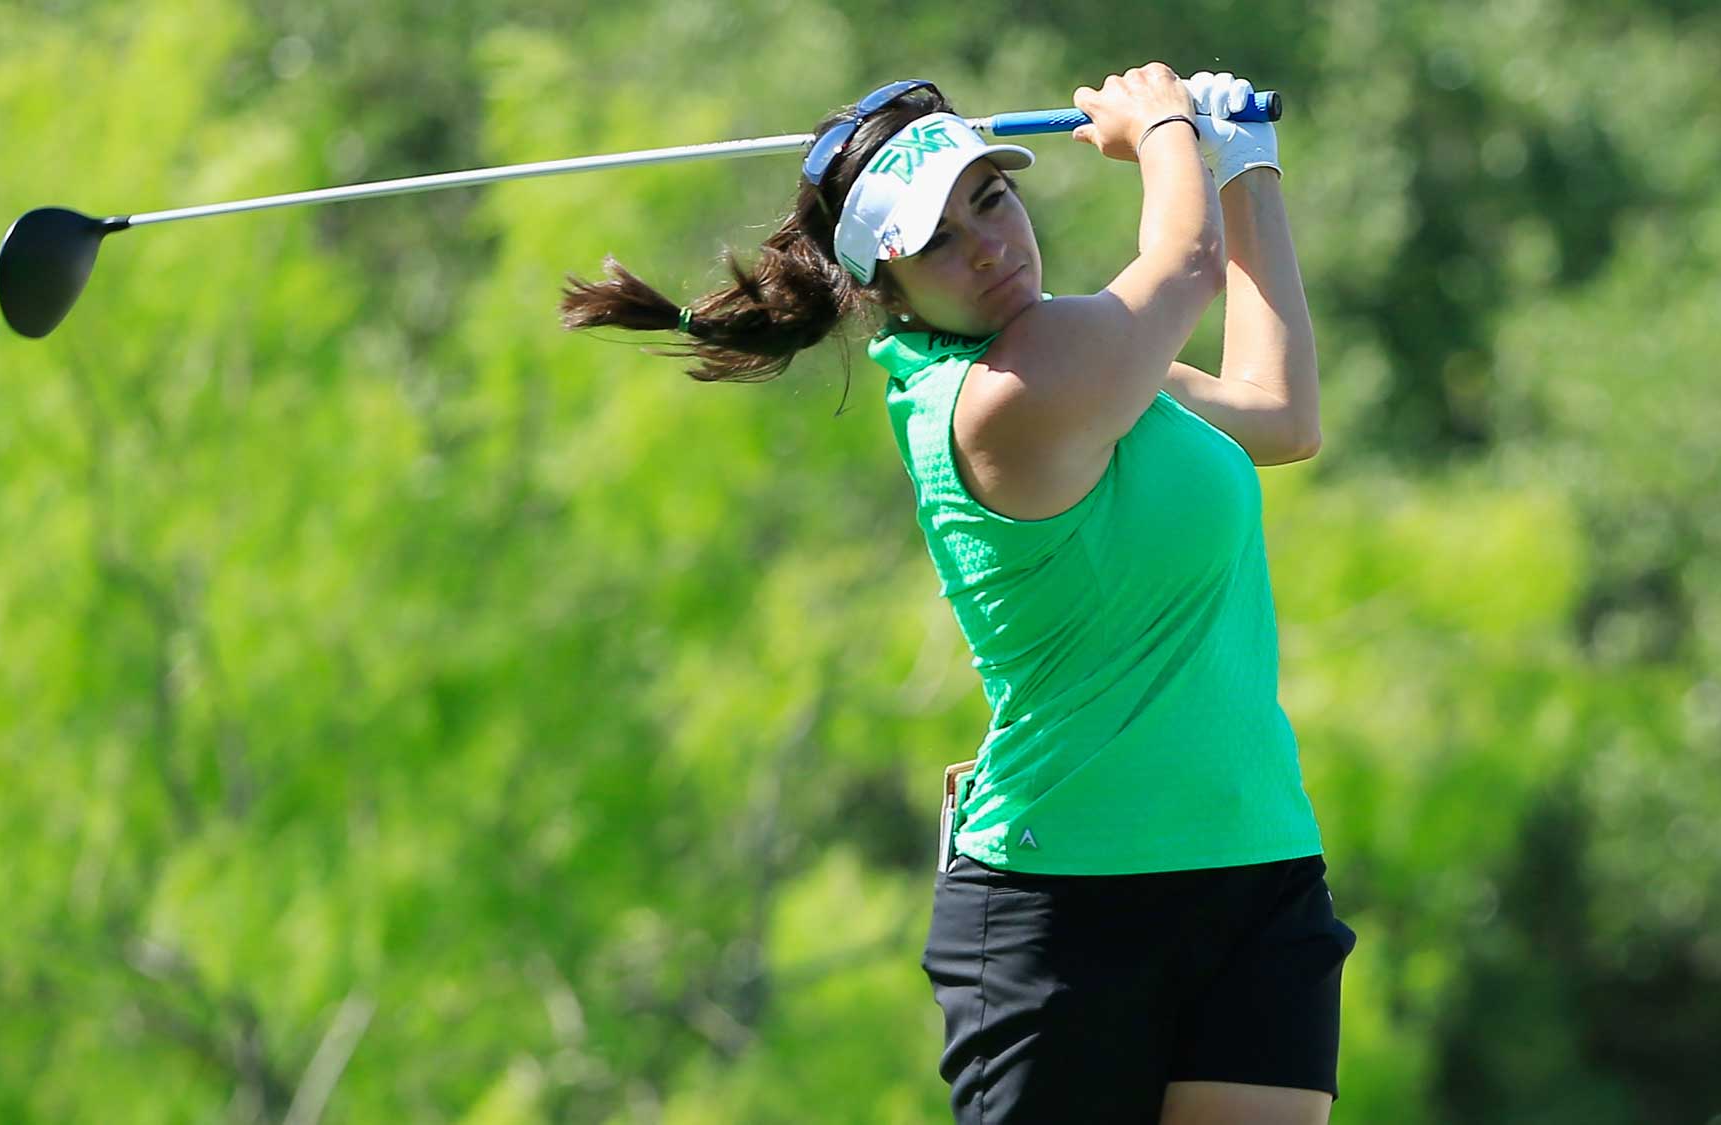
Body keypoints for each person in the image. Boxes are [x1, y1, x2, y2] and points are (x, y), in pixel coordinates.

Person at [560, 64, 1355, 1125]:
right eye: (936, 240)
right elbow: (1183, 262)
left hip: (1254, 867)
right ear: (881, 291)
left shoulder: (1092, 365)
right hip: (1065, 906)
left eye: (991, 198)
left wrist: (1246, 167)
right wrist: (1165, 121)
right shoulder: (995, 405)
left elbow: (1279, 414)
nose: (987, 244)